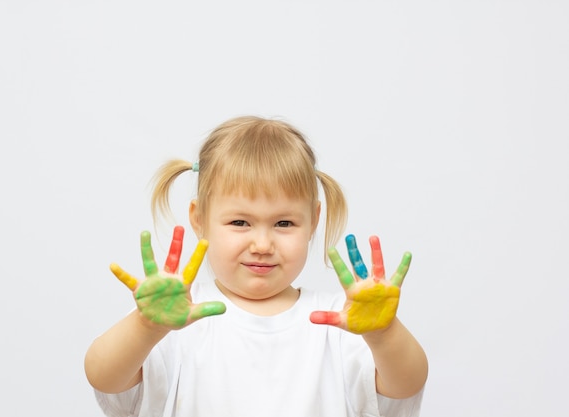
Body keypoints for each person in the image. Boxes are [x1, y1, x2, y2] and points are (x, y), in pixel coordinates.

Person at [84, 116, 428, 417]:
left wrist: (384, 334)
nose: (262, 245)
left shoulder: (341, 320)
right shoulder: (178, 317)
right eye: (239, 222)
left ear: (313, 221)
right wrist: (146, 327)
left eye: (284, 224)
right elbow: (105, 378)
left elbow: (405, 388)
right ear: (199, 220)